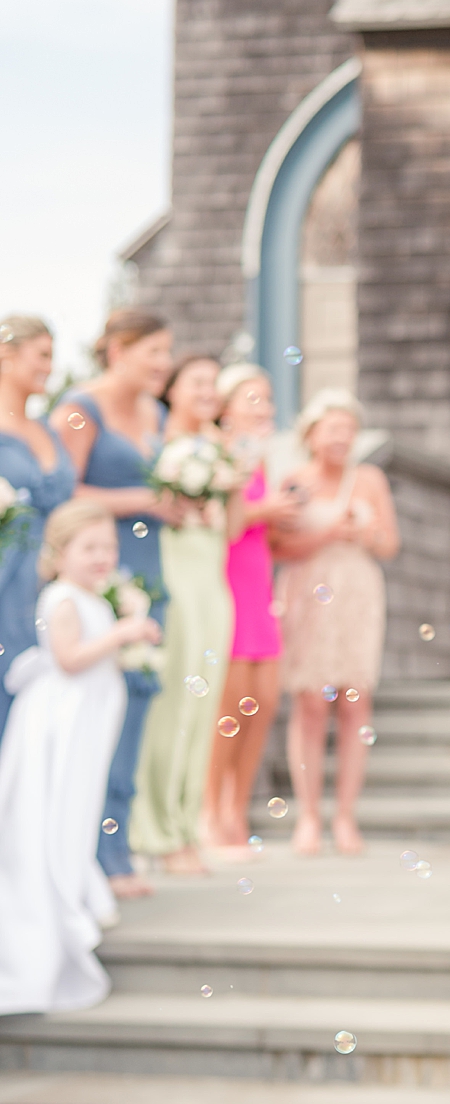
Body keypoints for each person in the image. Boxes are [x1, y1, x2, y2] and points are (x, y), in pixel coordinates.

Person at [0, 500, 161, 1013]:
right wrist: (122, 635)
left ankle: (76, 882)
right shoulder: (63, 598)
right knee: (57, 811)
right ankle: (56, 900)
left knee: (79, 810)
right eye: (89, 548)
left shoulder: (96, 597)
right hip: (61, 728)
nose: (102, 557)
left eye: (108, 547)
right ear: (59, 552)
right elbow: (68, 660)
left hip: (86, 725)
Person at [56, 309, 184, 899]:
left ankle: (119, 843)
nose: (164, 365)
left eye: (166, 353)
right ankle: (92, 853)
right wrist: (143, 499)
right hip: (100, 573)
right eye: (154, 352)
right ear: (118, 350)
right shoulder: (82, 408)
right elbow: (63, 492)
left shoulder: (158, 414)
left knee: (137, 700)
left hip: (151, 571)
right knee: (99, 710)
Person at [272, 388, 399, 857]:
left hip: (357, 593)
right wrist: (327, 532)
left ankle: (345, 817)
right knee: (309, 703)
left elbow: (389, 545)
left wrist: (363, 531)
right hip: (308, 591)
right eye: (333, 428)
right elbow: (277, 550)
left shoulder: (369, 480)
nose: (342, 437)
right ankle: (308, 816)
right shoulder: (294, 480)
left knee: (354, 703)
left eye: (349, 429)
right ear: (312, 434)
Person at [129, 355, 235, 874]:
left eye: (214, 384)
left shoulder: (220, 449)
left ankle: (188, 825)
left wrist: (232, 477)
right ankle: (154, 830)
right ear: (171, 389)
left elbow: (232, 530)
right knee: (172, 704)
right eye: (197, 382)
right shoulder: (152, 443)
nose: (208, 392)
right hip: (172, 575)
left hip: (213, 580)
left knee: (203, 706)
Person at [202, 364, 299, 854]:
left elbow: (271, 536)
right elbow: (226, 527)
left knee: (261, 704)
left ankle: (236, 810)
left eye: (267, 398)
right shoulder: (214, 456)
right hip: (227, 581)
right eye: (252, 398)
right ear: (226, 407)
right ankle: (210, 811)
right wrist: (266, 510)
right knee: (228, 705)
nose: (263, 407)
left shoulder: (265, 460)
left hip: (261, 584)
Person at [0, 315, 75, 746]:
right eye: (42, 355)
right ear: (6, 356)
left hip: (49, 583)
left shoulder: (47, 429)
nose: (50, 366)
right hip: (8, 575)